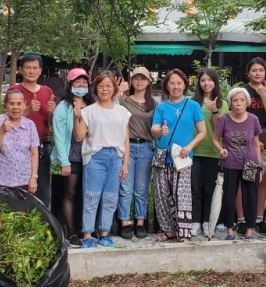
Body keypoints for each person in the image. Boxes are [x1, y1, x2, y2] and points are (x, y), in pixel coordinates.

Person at [74, 73, 132, 248]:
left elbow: (126, 140)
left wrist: (125, 164)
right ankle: (87, 235)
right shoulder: (88, 111)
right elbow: (79, 136)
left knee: (111, 198)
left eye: (108, 86)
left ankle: (104, 234)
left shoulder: (122, 112)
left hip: (116, 157)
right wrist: (77, 117)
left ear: (114, 89)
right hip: (95, 158)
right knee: (91, 197)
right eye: (101, 86)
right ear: (95, 89)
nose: (105, 89)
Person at [151, 69, 206, 243]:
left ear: (185, 85)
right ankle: (169, 230)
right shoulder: (161, 107)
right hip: (163, 158)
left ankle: (184, 232)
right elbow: (153, 129)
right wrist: (159, 131)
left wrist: (189, 146)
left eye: (179, 83)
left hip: (183, 158)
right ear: (166, 86)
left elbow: (202, 131)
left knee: (182, 195)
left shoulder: (193, 106)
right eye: (172, 83)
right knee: (162, 194)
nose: (175, 86)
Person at [212, 87, 263, 241]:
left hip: (250, 164)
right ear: (230, 103)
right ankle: (229, 231)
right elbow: (215, 139)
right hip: (230, 163)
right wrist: (221, 149)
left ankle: (249, 231)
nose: (239, 103)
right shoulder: (224, 119)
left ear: (247, 102)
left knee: (250, 197)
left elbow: (256, 144)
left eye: (242, 100)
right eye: (235, 100)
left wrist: (259, 166)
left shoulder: (253, 119)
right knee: (229, 197)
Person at [52, 68, 94, 246]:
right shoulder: (64, 107)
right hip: (72, 155)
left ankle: (86, 229)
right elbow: (59, 136)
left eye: (84, 82)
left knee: (87, 194)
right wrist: (64, 162)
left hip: (90, 155)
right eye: (78, 82)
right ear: (70, 84)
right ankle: (71, 232)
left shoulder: (93, 105)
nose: (81, 85)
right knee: (70, 192)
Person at [10, 54, 56, 209]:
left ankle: (42, 220)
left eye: (35, 68)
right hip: (18, 146)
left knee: (42, 188)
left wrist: (52, 113)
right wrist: (27, 110)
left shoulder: (47, 91)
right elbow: (8, 119)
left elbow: (51, 122)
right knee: (20, 188)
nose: (31, 71)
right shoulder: (14, 90)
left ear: (40, 70)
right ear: (20, 69)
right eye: (28, 68)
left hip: (42, 145)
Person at [241, 57, 266, 237]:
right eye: (254, 70)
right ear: (248, 72)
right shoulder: (243, 91)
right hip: (247, 136)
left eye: (261, 70)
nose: (257, 73)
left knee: (263, 179)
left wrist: (263, 95)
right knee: (246, 178)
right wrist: (253, 139)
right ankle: (242, 219)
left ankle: (258, 219)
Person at [118, 66, 156, 240]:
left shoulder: (153, 104)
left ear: (148, 82)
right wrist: (119, 90)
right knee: (125, 187)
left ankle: (140, 222)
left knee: (141, 188)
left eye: (143, 78)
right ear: (131, 81)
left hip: (146, 147)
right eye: (136, 78)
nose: (139, 81)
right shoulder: (123, 101)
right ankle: (125, 222)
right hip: (128, 147)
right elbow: (107, 103)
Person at [191, 68, 228, 237]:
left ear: (215, 82)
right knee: (194, 188)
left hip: (213, 151)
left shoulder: (223, 103)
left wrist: (214, 110)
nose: (206, 83)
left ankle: (207, 221)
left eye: (210, 80)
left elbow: (219, 128)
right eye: (203, 80)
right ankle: (195, 221)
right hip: (194, 151)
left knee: (209, 189)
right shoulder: (192, 102)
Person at [0, 90, 40, 192]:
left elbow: (34, 153)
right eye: (11, 103)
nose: (15, 107)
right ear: (5, 105)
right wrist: (2, 131)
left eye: (19, 103)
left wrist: (34, 178)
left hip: (23, 179)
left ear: (25, 105)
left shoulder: (30, 125)